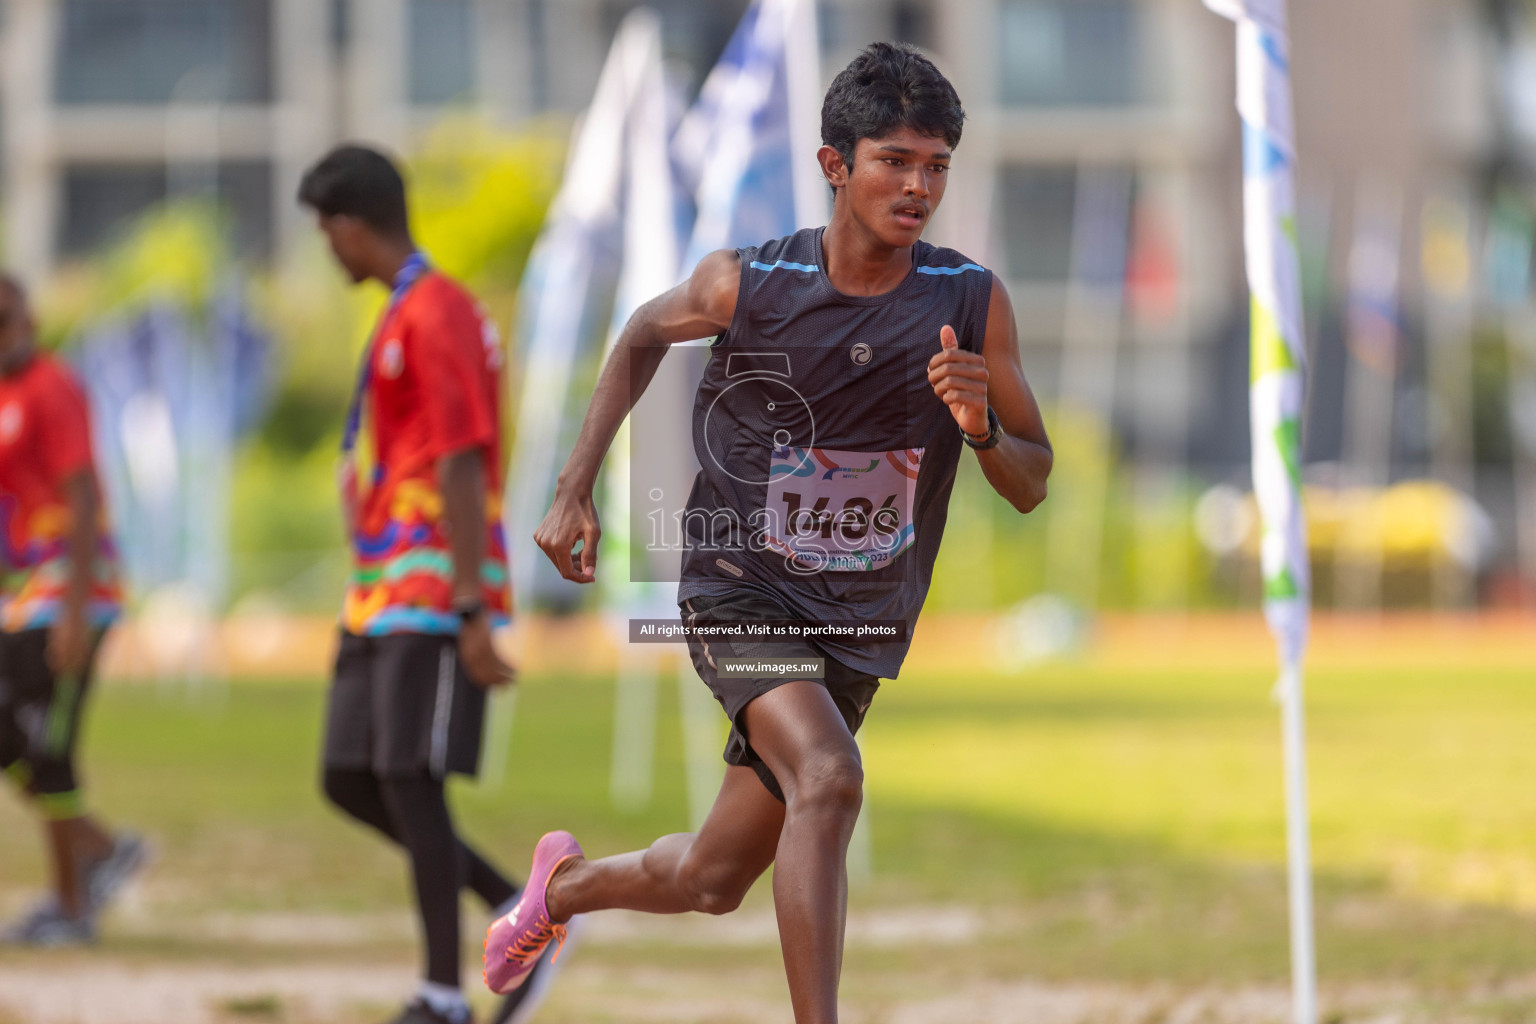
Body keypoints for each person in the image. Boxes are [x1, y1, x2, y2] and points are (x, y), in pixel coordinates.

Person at [486, 42, 1053, 1023]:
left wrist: (982, 427)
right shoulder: (749, 283)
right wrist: (574, 487)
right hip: (737, 587)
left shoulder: (969, 302)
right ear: (836, 164)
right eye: (894, 160)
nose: (918, 185)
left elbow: (1031, 482)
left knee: (713, 876)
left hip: (859, 624)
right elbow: (637, 336)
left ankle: (561, 888)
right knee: (829, 779)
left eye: (936, 166)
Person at [299, 145, 556, 1024]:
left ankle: (444, 993)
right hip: (379, 583)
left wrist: (473, 607)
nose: (324, 249)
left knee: (410, 776)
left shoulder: (438, 311)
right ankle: (526, 914)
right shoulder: (405, 309)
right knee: (347, 775)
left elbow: (461, 457)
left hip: (430, 581)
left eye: (323, 231)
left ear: (348, 225)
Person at [0, 273, 147, 947]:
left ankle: (71, 905)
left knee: (49, 748)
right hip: (28, 594)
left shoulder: (52, 387)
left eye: (13, 317)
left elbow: (83, 497)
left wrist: (75, 612)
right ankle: (101, 847)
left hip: (71, 593)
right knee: (14, 735)